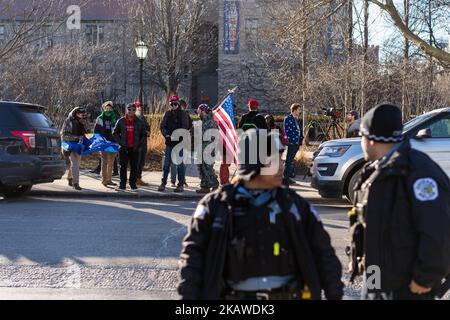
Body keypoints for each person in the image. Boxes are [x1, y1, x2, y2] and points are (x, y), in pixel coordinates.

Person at [178, 129, 343, 300]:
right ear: (254, 164)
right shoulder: (216, 207)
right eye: (274, 159)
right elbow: (192, 259)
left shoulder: (295, 206)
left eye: (281, 158)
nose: (282, 165)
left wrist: (335, 294)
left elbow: (324, 254)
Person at [348, 103, 450, 300]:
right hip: (375, 277)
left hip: (407, 287)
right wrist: (357, 257)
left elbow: (438, 230)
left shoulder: (419, 173)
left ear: (370, 139)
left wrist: (425, 278)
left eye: (361, 136)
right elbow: (366, 223)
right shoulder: (374, 172)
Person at [159, 95, 190, 192]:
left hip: (179, 142)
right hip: (169, 142)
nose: (173, 106)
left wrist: (178, 136)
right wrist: (167, 135)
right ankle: (163, 183)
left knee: (179, 164)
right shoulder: (167, 114)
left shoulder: (183, 114)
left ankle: (180, 184)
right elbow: (162, 126)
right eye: (171, 104)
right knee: (167, 164)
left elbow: (185, 126)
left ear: (178, 104)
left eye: (175, 104)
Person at [113, 103, 147, 190]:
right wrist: (120, 143)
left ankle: (133, 184)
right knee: (123, 167)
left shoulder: (139, 122)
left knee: (134, 167)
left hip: (135, 149)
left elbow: (144, 134)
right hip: (124, 148)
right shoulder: (121, 121)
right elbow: (115, 133)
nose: (131, 111)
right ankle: (122, 185)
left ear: (135, 111)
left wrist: (139, 145)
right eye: (129, 109)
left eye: (133, 109)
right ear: (126, 110)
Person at [61, 107, 88, 191]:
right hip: (71, 145)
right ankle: (76, 183)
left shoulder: (83, 121)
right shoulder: (68, 121)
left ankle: (70, 177)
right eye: (80, 113)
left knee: (76, 164)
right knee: (75, 164)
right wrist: (76, 138)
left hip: (79, 145)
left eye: (82, 114)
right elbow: (64, 134)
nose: (81, 115)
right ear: (75, 113)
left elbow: (86, 133)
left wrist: (84, 124)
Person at [196, 104, 220, 194]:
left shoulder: (211, 122)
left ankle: (215, 185)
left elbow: (214, 138)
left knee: (208, 167)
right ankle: (204, 186)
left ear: (203, 111)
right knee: (201, 167)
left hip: (208, 150)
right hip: (201, 149)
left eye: (198, 111)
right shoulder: (202, 122)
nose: (197, 113)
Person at [94, 101, 118, 187]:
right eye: (107, 108)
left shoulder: (115, 118)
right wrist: (99, 141)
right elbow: (96, 131)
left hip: (113, 142)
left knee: (111, 161)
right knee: (104, 161)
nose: (108, 109)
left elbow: (118, 131)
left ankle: (109, 179)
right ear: (104, 108)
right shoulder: (99, 118)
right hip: (103, 142)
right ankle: (104, 180)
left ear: (112, 108)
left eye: (110, 108)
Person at [171, 99, 192, 188]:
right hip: (175, 141)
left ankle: (183, 180)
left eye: (182, 107)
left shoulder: (186, 115)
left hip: (185, 141)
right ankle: (173, 181)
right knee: (174, 162)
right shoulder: (172, 114)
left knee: (183, 163)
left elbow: (190, 126)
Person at [283, 103, 303, 185]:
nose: (300, 111)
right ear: (294, 110)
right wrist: (291, 141)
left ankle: (287, 177)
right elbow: (287, 132)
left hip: (296, 143)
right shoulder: (288, 118)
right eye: (299, 109)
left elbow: (298, 130)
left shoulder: (296, 119)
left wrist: (301, 138)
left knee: (290, 161)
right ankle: (285, 179)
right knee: (288, 161)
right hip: (291, 143)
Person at [135, 102, 151, 187]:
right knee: (136, 162)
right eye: (138, 107)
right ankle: (133, 179)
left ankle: (139, 178)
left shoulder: (143, 118)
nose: (140, 108)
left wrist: (148, 132)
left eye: (141, 107)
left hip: (143, 143)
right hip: (136, 144)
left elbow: (148, 128)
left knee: (141, 162)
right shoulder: (133, 118)